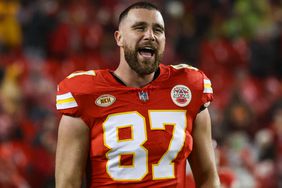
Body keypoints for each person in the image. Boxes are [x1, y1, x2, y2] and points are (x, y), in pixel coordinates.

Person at [55, 1, 220, 188]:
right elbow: (67, 183)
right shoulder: (85, 94)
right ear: (119, 38)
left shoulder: (189, 87)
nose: (150, 36)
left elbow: (208, 177)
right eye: (139, 27)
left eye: (158, 30)